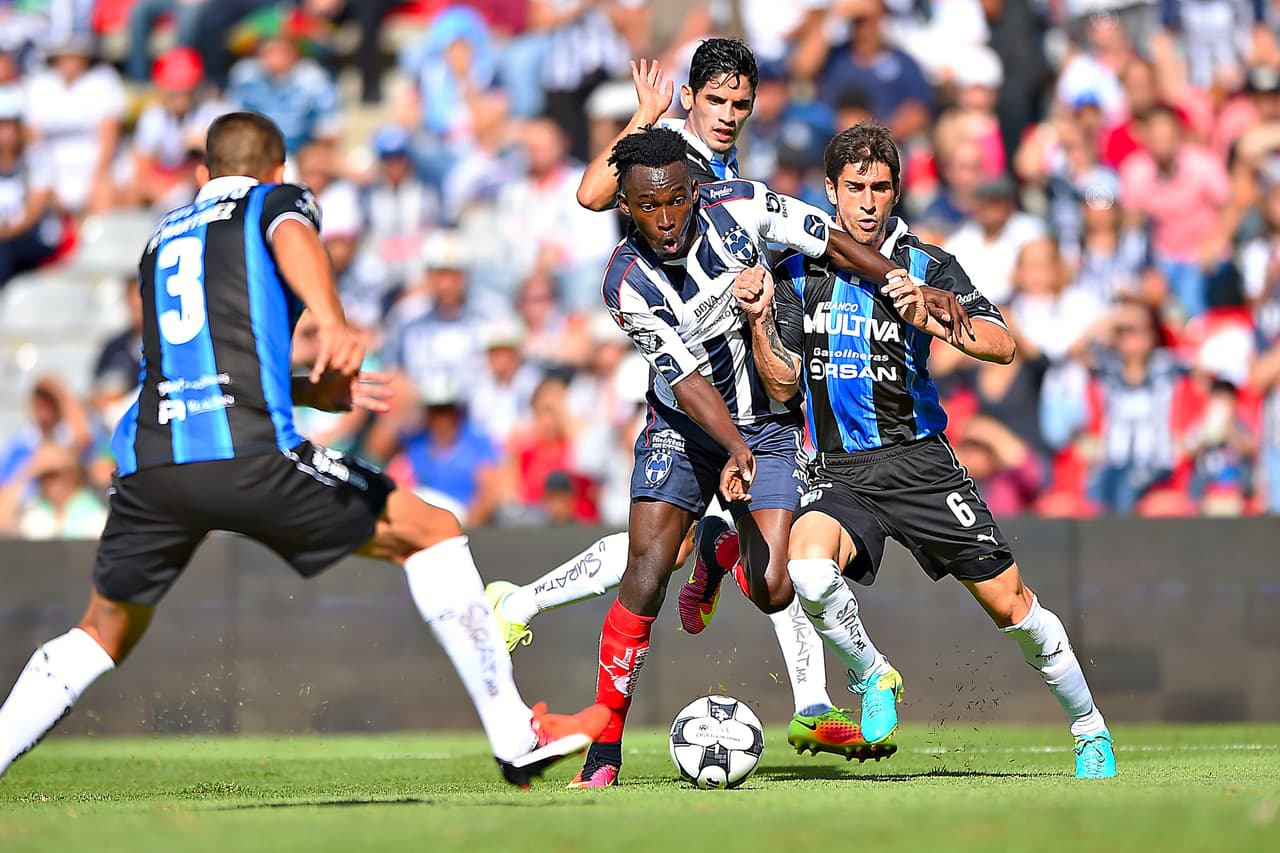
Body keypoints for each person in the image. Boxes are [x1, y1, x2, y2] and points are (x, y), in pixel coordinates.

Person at [0, 112, 606, 788]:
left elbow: (186, 362)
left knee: (101, 630)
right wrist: (331, 316)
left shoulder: (159, 239)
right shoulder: (276, 198)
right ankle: (516, 736)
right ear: (278, 169)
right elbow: (289, 231)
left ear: (202, 175)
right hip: (247, 451)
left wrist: (303, 390)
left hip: (150, 462)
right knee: (432, 532)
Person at [557, 126, 968, 787]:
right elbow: (688, 379)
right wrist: (733, 448)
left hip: (770, 419)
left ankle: (722, 550)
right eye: (646, 207)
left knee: (778, 583)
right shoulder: (625, 282)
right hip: (685, 425)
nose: (664, 220)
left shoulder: (744, 203)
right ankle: (603, 752)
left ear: (696, 189)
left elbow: (830, 238)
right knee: (646, 572)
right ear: (625, 206)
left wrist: (902, 281)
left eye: (675, 201)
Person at [490, 40, 859, 761]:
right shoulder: (669, 153)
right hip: (687, 384)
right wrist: (640, 117)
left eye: (740, 104)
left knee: (756, 543)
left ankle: (809, 698)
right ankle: (527, 605)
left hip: (746, 381)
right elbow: (592, 194)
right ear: (690, 98)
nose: (727, 115)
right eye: (715, 100)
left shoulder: (729, 178)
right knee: (660, 553)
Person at [736, 122, 1116, 779]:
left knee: (1012, 605)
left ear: (896, 192)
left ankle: (1088, 726)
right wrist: (758, 320)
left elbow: (1002, 343)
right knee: (807, 567)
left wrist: (938, 319)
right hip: (842, 471)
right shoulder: (796, 270)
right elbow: (781, 382)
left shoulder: (927, 265)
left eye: (880, 187)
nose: (867, 201)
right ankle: (874, 674)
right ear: (829, 192)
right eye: (854, 187)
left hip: (921, 463)